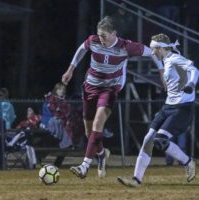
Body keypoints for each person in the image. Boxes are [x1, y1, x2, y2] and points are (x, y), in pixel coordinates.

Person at [61, 16, 164, 179]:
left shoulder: (126, 47)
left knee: (97, 123)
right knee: (90, 132)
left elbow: (152, 52)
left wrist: (161, 71)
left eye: (104, 36)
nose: (101, 39)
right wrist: (71, 69)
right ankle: (101, 154)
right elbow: (81, 49)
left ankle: (84, 166)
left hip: (110, 88)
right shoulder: (93, 41)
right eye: (99, 35)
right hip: (90, 86)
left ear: (114, 33)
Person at [117, 33, 199, 187]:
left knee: (160, 140)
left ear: (161, 48)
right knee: (148, 140)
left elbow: (195, 70)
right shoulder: (167, 60)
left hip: (182, 108)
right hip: (168, 107)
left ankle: (188, 162)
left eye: (154, 49)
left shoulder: (174, 58)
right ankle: (136, 179)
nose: (153, 52)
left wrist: (191, 85)